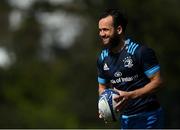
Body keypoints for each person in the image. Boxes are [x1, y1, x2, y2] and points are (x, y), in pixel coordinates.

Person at [97, 9, 164, 129]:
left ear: (119, 30)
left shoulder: (140, 52)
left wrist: (131, 95)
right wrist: (104, 106)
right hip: (125, 119)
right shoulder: (102, 58)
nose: (102, 34)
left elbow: (157, 82)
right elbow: (102, 87)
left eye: (106, 29)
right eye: (100, 30)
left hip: (148, 117)